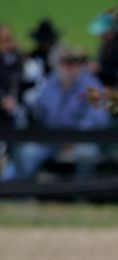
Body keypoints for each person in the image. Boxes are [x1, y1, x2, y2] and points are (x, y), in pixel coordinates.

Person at [2, 46, 110, 182]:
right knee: (28, 153)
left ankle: (81, 193)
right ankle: (20, 192)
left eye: (73, 62)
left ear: (80, 65)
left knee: (86, 154)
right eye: (64, 62)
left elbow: (99, 118)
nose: (68, 67)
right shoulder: (50, 82)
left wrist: (75, 136)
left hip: (82, 138)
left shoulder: (91, 85)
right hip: (51, 138)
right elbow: (39, 109)